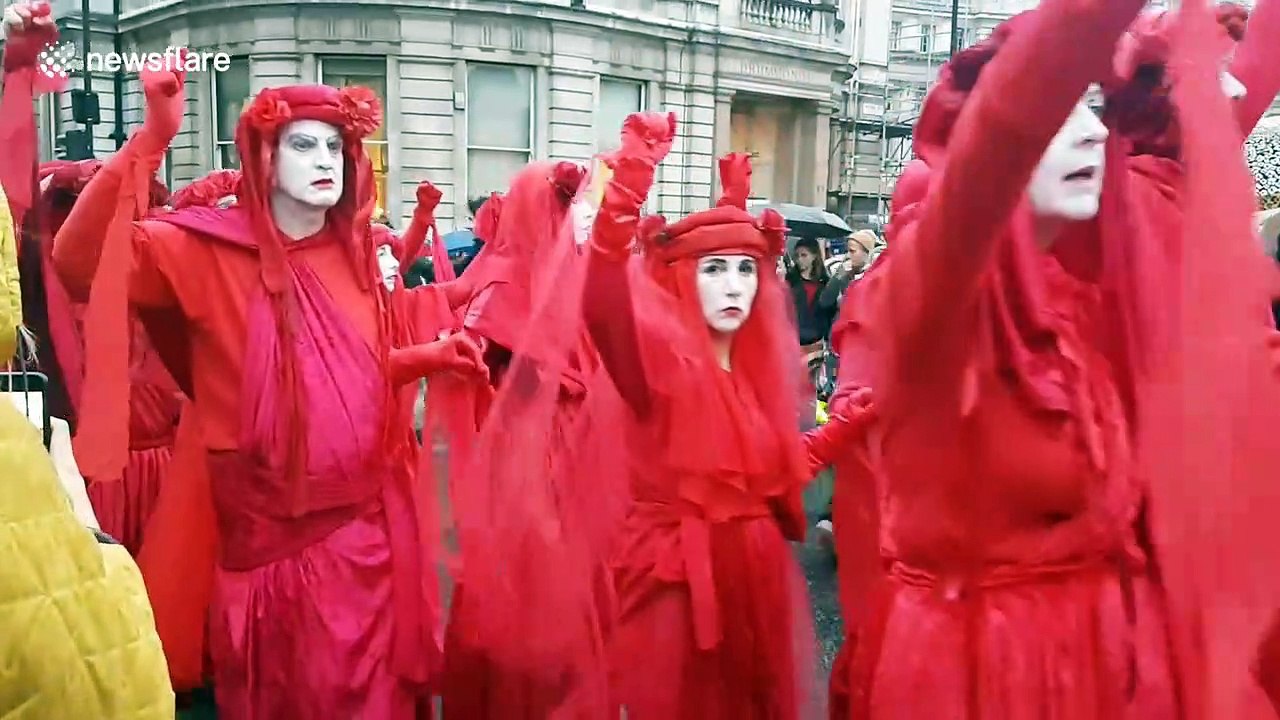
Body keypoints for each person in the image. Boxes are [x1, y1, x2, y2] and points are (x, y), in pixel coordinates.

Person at [51, 57, 484, 718]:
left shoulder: (354, 255)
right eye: (303, 143)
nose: (325, 159)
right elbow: (79, 262)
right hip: (272, 567)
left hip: (368, 550)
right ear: (264, 156)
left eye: (336, 145)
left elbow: (343, 379)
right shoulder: (200, 249)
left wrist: (425, 355)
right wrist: (152, 138)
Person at [581, 117, 874, 718]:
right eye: (713, 269)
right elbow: (602, 301)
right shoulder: (653, 369)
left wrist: (845, 429)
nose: (734, 284)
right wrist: (627, 187)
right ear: (682, 278)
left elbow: (772, 471)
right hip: (674, 590)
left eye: (745, 268)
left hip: (756, 580)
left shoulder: (752, 375)